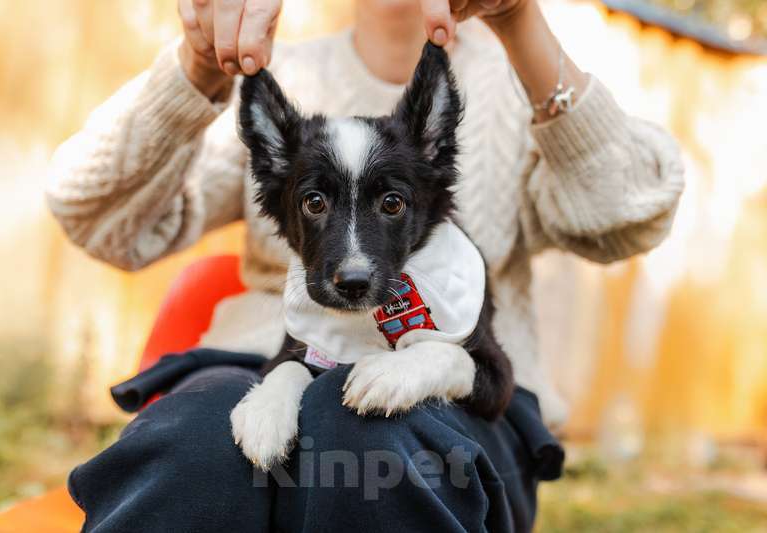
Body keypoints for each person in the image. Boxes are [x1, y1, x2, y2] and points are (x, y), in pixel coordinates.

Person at [47, 0, 685, 531]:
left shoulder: (523, 82)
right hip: (269, 359)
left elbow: (631, 216)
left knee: (367, 447)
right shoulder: (273, 78)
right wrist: (198, 66)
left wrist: (521, 23)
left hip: (459, 386)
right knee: (194, 449)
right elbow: (94, 215)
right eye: (317, 200)